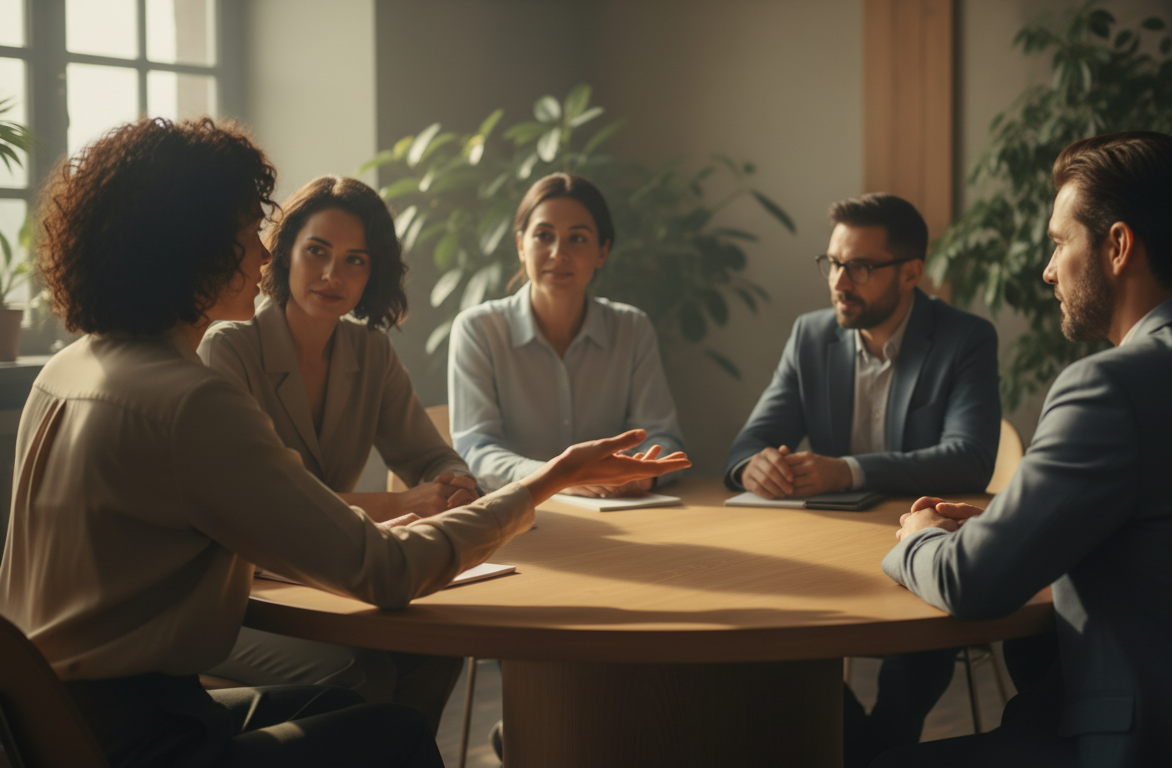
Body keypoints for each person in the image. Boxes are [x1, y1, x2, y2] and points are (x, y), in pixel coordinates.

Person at [0, 116, 689, 768]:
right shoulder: (192, 400)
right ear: (196, 248)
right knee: (396, 734)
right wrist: (547, 481)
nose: (264, 253)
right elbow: (385, 570)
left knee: (345, 705)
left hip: (49, 718)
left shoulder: (68, 369)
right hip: (137, 742)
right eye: (250, 233)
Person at [875, 132, 1172, 768]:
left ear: (1118, 246)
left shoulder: (1106, 387)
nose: (1048, 270)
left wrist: (919, 537)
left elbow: (970, 582)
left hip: (1142, 744)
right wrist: (1018, 524)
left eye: (1059, 243)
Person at [722, 193, 1000, 767]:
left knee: (920, 621)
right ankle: (873, 752)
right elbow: (749, 442)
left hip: (917, 536)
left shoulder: (964, 338)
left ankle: (882, 742)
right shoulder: (810, 336)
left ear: (911, 273)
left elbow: (970, 457)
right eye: (832, 263)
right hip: (826, 548)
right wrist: (754, 465)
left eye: (860, 267)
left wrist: (846, 470)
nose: (839, 282)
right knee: (770, 617)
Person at [197, 176, 475, 726]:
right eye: (317, 252)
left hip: (327, 579)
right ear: (283, 253)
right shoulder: (228, 346)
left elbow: (429, 456)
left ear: (373, 275)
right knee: (359, 672)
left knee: (438, 648)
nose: (332, 275)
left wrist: (454, 485)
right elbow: (267, 506)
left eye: (355, 260)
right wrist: (400, 505)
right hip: (237, 596)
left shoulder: (371, 353)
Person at [448, 172, 687, 495]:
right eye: (543, 236)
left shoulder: (632, 328)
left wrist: (638, 473)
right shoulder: (479, 330)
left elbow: (663, 437)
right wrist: (558, 478)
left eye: (577, 239)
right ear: (520, 245)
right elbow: (475, 450)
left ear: (602, 251)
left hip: (618, 507)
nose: (558, 253)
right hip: (519, 512)